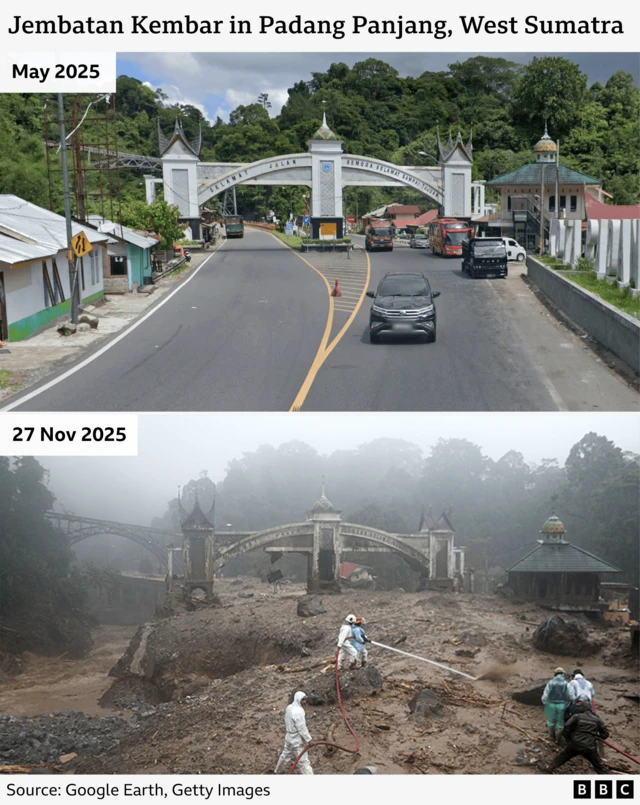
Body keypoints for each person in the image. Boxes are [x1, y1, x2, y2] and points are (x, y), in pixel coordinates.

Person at [545, 700, 609, 774]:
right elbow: (606, 734)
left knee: (562, 756)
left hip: (575, 743)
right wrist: (595, 736)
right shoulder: (597, 719)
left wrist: (569, 738)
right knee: (599, 765)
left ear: (582, 709)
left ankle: (549, 768)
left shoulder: (577, 716)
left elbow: (566, 727)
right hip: (589, 747)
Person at [274, 691, 313, 775]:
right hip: (297, 740)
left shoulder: (289, 707)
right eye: (303, 700)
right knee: (304, 763)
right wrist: (309, 740)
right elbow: (302, 728)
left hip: (289, 737)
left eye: (305, 700)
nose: (305, 702)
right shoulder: (298, 711)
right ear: (298, 700)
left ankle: (277, 771)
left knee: (285, 755)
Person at [542, 667, 574, 743]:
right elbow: (571, 696)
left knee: (550, 721)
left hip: (551, 705)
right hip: (562, 705)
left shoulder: (550, 683)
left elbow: (545, 696)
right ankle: (557, 739)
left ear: (555, 674)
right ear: (563, 674)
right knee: (560, 723)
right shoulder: (566, 684)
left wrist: (545, 703)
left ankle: (551, 736)